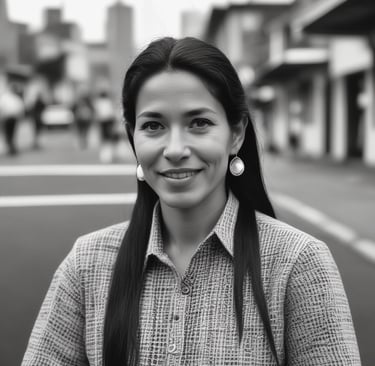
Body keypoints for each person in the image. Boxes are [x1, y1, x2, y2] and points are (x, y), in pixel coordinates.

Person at [22, 37, 361, 365]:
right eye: (153, 126)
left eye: (199, 123)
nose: (174, 150)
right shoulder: (87, 264)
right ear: (132, 136)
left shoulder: (297, 263)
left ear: (236, 133)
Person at [0, 81, 24, 155]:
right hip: (9, 118)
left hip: (10, 118)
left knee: (10, 133)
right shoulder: (12, 97)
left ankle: (11, 147)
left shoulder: (10, 97)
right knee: (10, 133)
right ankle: (11, 147)